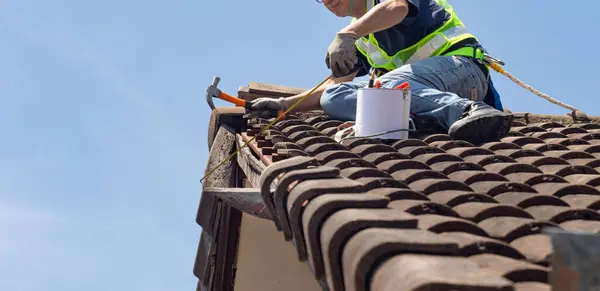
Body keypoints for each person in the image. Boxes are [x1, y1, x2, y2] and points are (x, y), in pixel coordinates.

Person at [249, 0, 513, 145]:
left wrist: (348, 34)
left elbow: (397, 7)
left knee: (389, 84)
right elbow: (335, 83)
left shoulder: (378, 14)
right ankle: (418, 121)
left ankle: (469, 112)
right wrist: (285, 105)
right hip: (414, 90)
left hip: (464, 73)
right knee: (333, 96)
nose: (326, 1)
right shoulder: (364, 40)